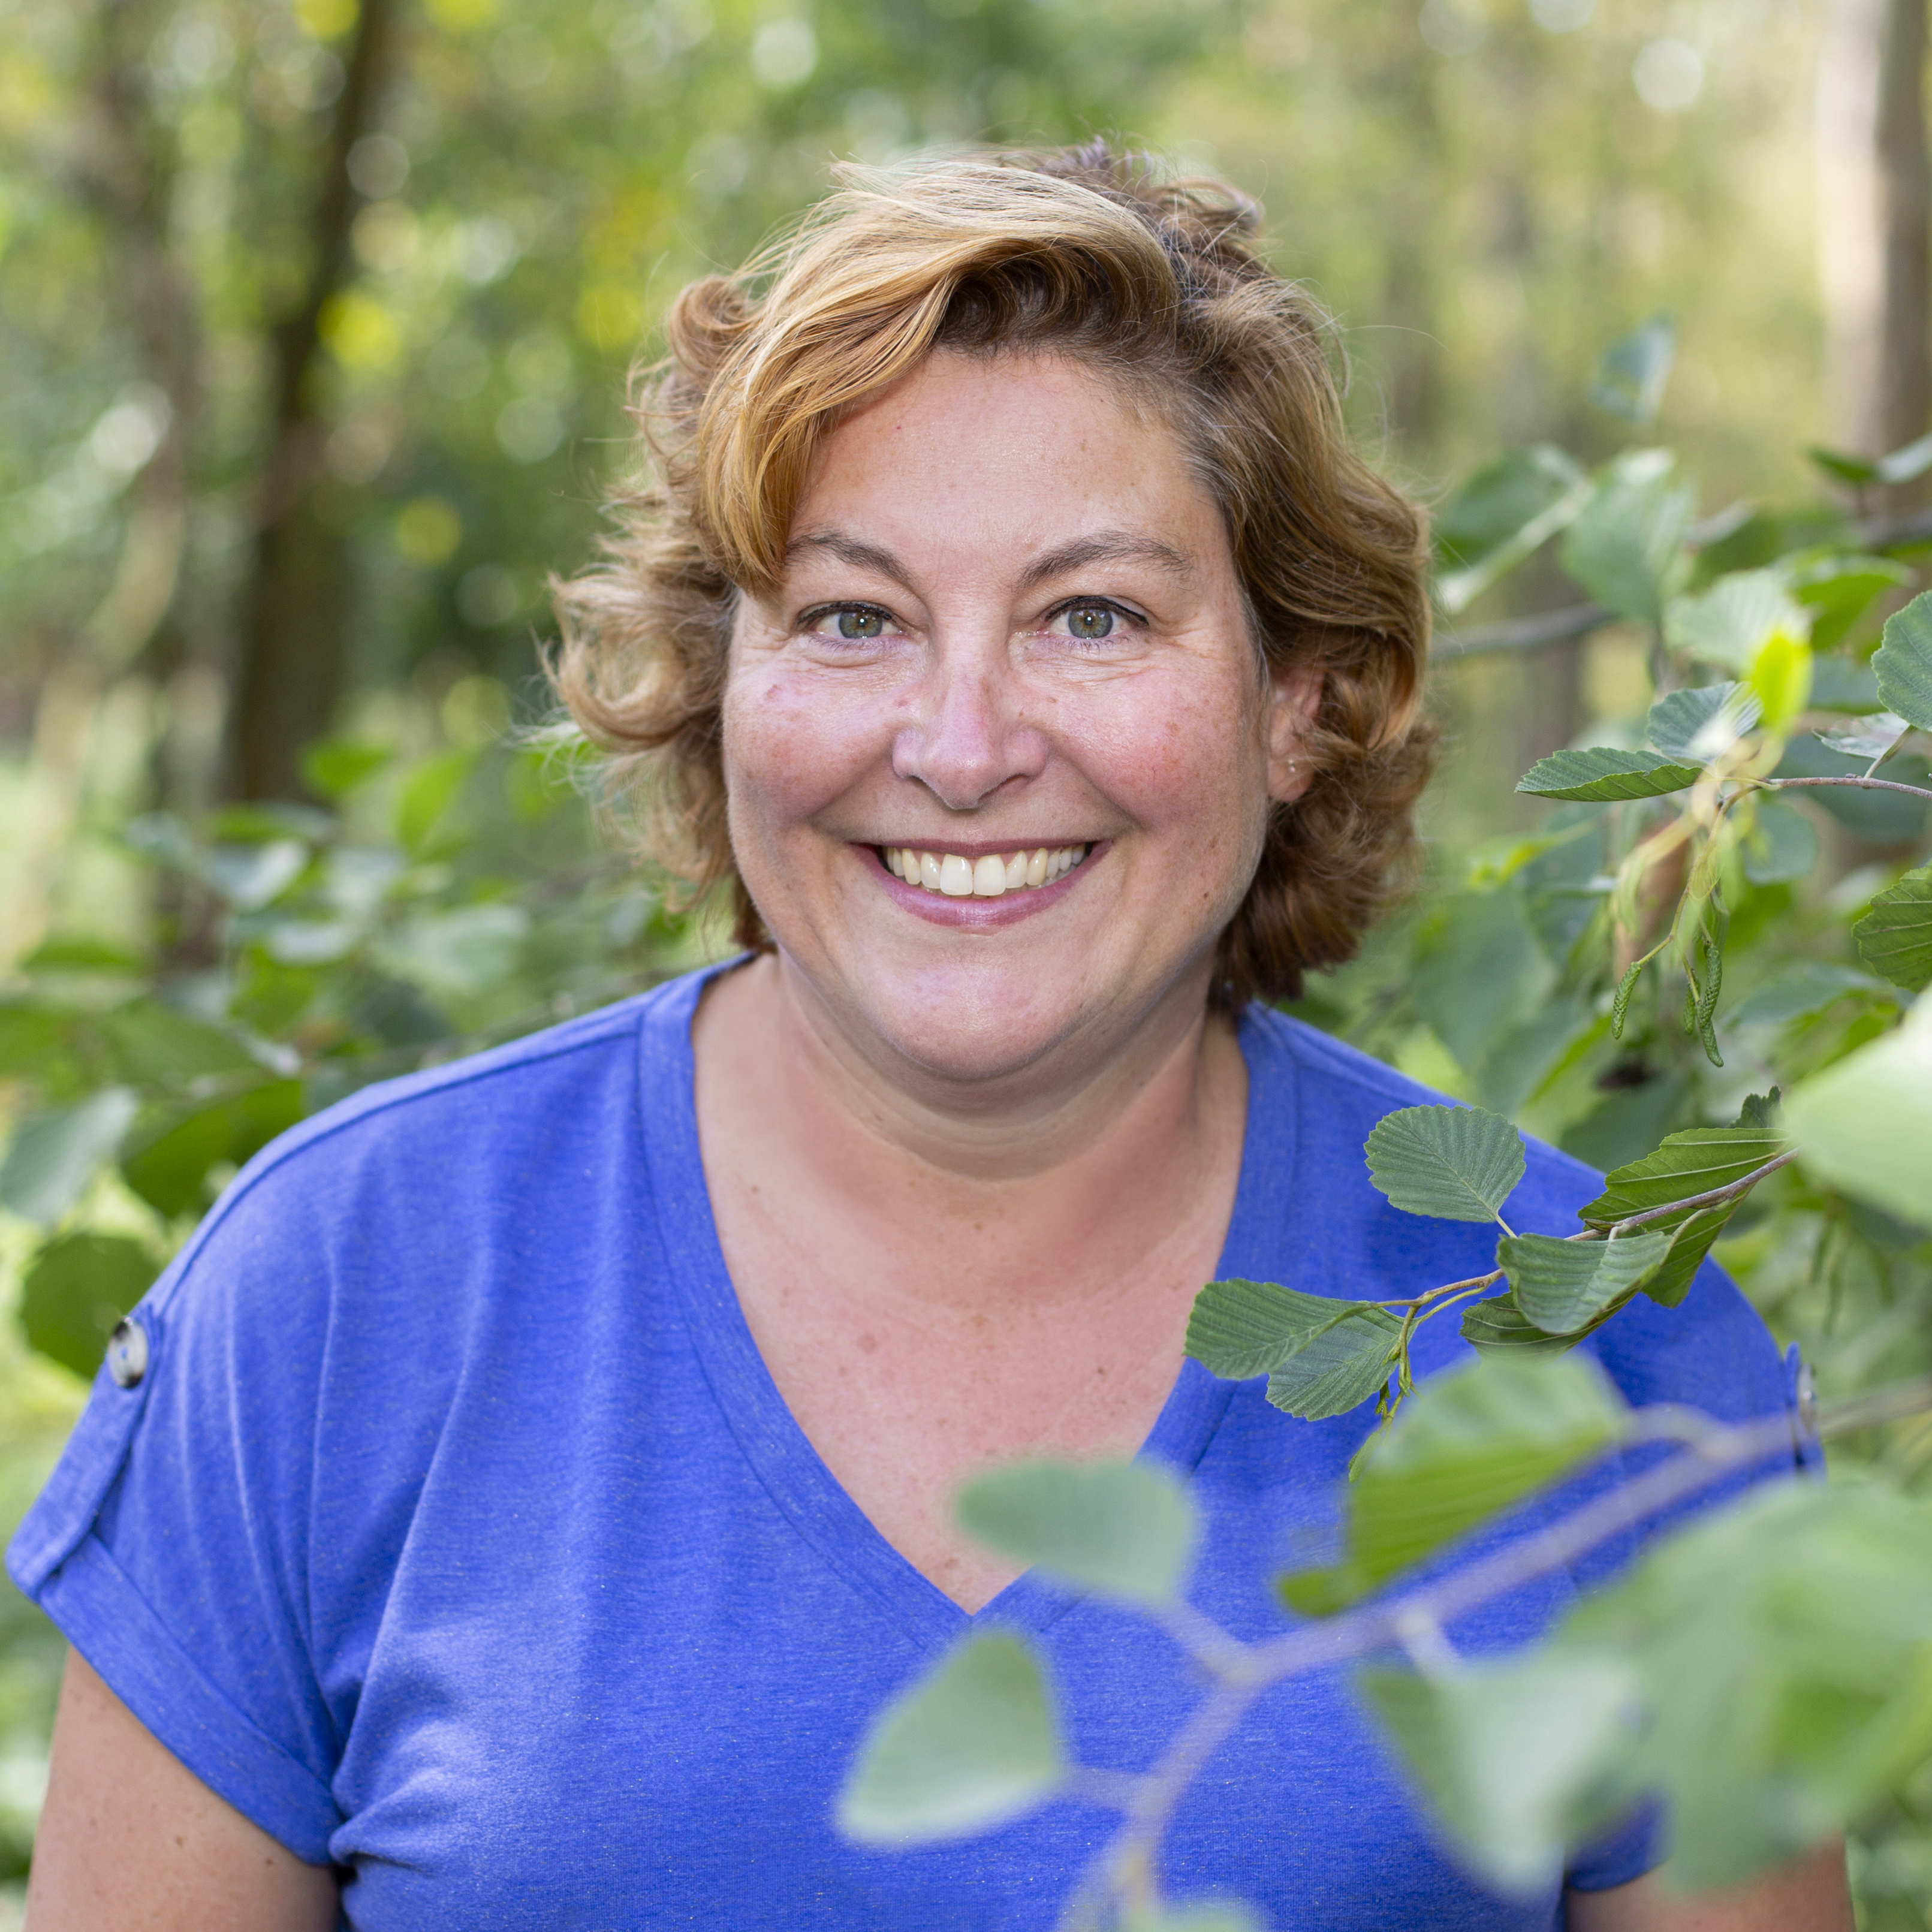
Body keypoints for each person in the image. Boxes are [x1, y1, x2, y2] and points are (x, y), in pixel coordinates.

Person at [14, 145, 1849, 1931]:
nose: (961, 748)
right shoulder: (342, 1299)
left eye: (1095, 614)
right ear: (721, 683)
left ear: (1298, 696)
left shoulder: (1601, 1339)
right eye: (853, 616)